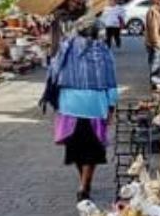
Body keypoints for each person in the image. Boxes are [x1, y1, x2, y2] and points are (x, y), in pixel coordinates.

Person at [49, 16, 119, 201]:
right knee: (92, 147)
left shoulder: (66, 47)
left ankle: (83, 182)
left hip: (69, 104)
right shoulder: (103, 51)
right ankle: (85, 183)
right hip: (95, 105)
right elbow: (111, 80)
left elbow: (54, 71)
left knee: (76, 146)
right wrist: (112, 105)